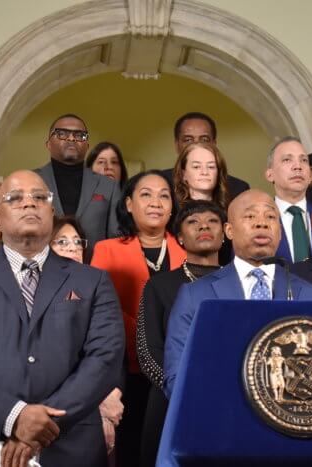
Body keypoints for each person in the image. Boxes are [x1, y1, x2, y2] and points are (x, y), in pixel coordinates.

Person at [0, 170, 125, 467]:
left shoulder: (92, 281)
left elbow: (105, 359)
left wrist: (41, 424)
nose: (29, 203)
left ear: (52, 211)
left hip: (69, 444)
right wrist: (13, 416)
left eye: (39, 197)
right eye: (15, 198)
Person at [163, 189, 312, 397]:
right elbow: (176, 377)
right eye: (250, 216)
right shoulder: (195, 296)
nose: (262, 223)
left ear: (279, 230)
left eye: (270, 216)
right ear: (229, 230)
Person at [91, 170, 187, 467]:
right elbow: (98, 312)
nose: (156, 202)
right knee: (130, 452)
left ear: (172, 206)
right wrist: (146, 333)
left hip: (176, 372)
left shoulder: (189, 252)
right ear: (129, 204)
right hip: (124, 372)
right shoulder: (106, 250)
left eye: (164, 195)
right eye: (146, 194)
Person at [137, 200, 225, 467]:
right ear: (179, 237)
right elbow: (147, 350)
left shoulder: (241, 281)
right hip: (170, 401)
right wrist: (179, 388)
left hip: (227, 399)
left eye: (212, 221)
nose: (203, 227)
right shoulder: (159, 285)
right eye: (193, 222)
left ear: (226, 231)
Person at [49, 215, 124, 459]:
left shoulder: (97, 285)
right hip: (47, 406)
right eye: (61, 242)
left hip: (91, 405)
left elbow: (109, 352)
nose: (72, 247)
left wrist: (108, 398)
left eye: (77, 242)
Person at [34, 114, 121, 260]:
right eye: (62, 134)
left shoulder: (108, 186)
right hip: (40, 271)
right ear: (48, 144)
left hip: (92, 272)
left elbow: (116, 238)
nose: (72, 139)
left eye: (80, 135)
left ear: (87, 146)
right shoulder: (31, 181)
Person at [161, 111, 250, 199]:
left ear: (214, 144)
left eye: (204, 140)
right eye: (188, 140)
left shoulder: (238, 189)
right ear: (177, 145)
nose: (196, 145)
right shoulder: (159, 183)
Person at [173, 142, 232, 265]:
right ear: (183, 174)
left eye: (211, 167)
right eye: (196, 167)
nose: (204, 172)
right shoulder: (172, 211)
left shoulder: (231, 211)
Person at [266, 136, 312, 263]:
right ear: (270, 174)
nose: (298, 166)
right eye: (287, 160)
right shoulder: (257, 221)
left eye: (303, 160)